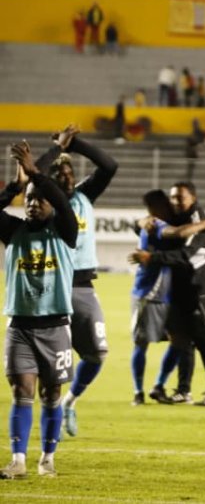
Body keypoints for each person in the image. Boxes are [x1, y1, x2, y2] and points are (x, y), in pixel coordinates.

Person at [33, 125, 119, 439]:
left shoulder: (84, 196)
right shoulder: (44, 200)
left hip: (82, 285)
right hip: (50, 286)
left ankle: (70, 401)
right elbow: (34, 171)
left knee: (97, 354)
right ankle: (48, 420)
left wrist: (73, 144)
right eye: (61, 172)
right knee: (50, 366)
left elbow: (109, 166)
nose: (68, 176)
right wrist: (57, 149)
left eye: (70, 171)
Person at [0, 141, 78, 479]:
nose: (32, 204)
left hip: (55, 325)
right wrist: (15, 186)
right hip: (19, 326)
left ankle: (47, 458)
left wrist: (35, 173)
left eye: (39, 199)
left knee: (51, 393)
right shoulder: (12, 230)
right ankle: (18, 461)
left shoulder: (64, 231)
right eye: (28, 199)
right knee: (22, 392)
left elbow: (63, 203)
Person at [132, 181, 205, 406]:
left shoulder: (196, 219)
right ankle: (183, 390)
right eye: (173, 197)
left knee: (203, 338)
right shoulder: (178, 217)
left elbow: (186, 253)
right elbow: (155, 228)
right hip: (179, 286)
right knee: (182, 339)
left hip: (198, 288)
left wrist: (152, 258)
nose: (175, 201)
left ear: (193, 198)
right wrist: (141, 221)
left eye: (180, 197)